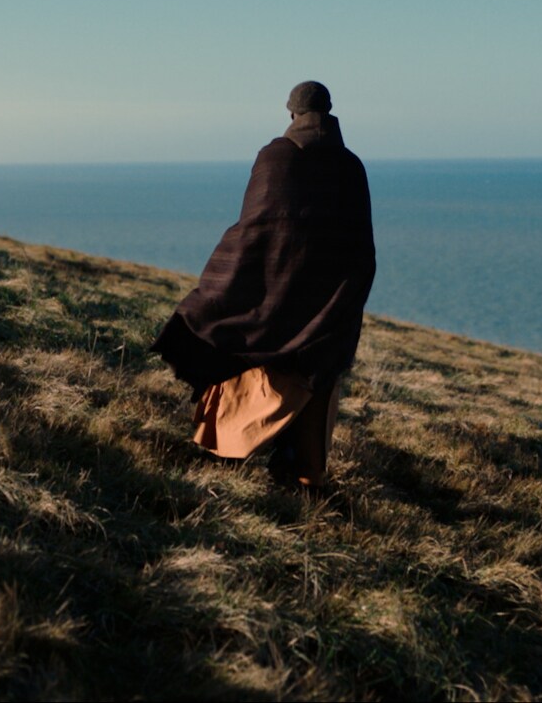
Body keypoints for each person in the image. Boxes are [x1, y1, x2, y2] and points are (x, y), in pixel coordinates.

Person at [151, 81, 376, 489]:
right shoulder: (351, 165)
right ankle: (304, 473)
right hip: (331, 303)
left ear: (291, 112)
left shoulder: (276, 157)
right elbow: (360, 245)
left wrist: (230, 274)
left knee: (259, 364)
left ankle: (231, 450)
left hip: (276, 291)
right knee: (314, 378)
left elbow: (256, 227)